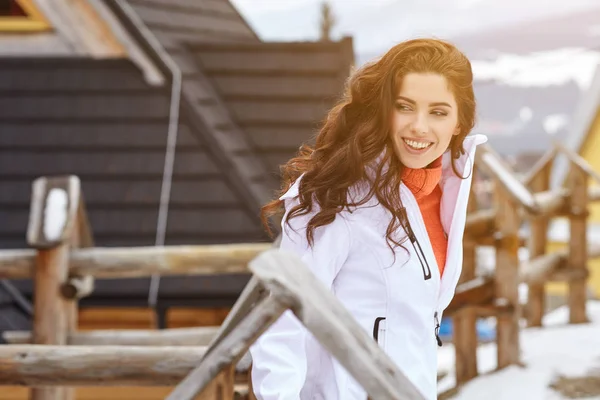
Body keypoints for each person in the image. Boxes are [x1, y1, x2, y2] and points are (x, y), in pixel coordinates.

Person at [250, 38, 487, 400]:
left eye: (438, 112)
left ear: (459, 122)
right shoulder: (337, 198)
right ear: (382, 110)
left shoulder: (445, 194)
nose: (419, 127)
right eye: (405, 107)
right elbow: (281, 323)